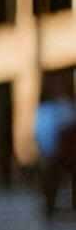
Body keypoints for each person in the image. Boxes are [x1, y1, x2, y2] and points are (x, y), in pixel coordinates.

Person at [34, 73, 76, 217]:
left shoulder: (62, 108)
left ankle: (51, 206)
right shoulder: (56, 109)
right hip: (57, 152)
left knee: (53, 177)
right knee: (52, 177)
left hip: (61, 153)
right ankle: (50, 206)